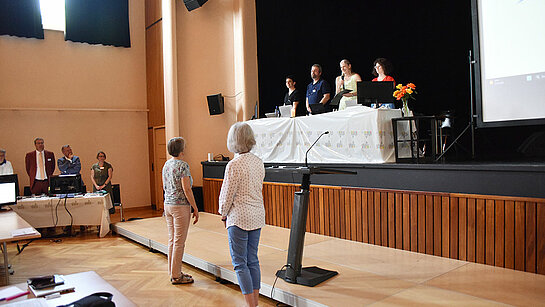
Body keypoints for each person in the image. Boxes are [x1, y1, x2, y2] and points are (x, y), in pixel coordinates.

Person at [219, 122, 265, 307]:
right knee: (253, 260)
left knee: (240, 263)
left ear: (233, 140)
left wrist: (223, 213)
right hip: (257, 214)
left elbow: (227, 194)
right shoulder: (258, 162)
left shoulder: (234, 165)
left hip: (238, 217)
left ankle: (250, 304)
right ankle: (254, 303)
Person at [162, 137, 199, 285]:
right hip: (180, 206)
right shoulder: (183, 166)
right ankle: (176, 275)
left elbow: (164, 186)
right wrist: (195, 208)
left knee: (172, 240)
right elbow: (187, 189)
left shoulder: (166, 165)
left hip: (168, 204)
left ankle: (173, 271)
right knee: (179, 242)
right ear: (181, 150)